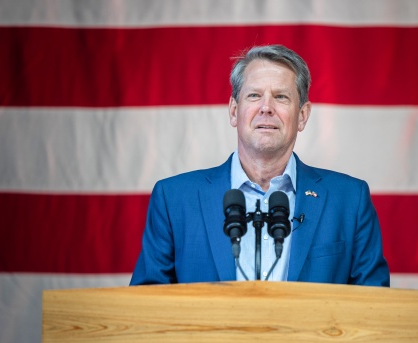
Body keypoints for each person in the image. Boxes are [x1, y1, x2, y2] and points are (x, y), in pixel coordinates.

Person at [129, 44, 389, 287]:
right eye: (254, 95)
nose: (266, 107)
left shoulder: (349, 200)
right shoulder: (174, 198)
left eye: (281, 97)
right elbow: (146, 307)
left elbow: (373, 308)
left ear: (302, 115)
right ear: (234, 111)